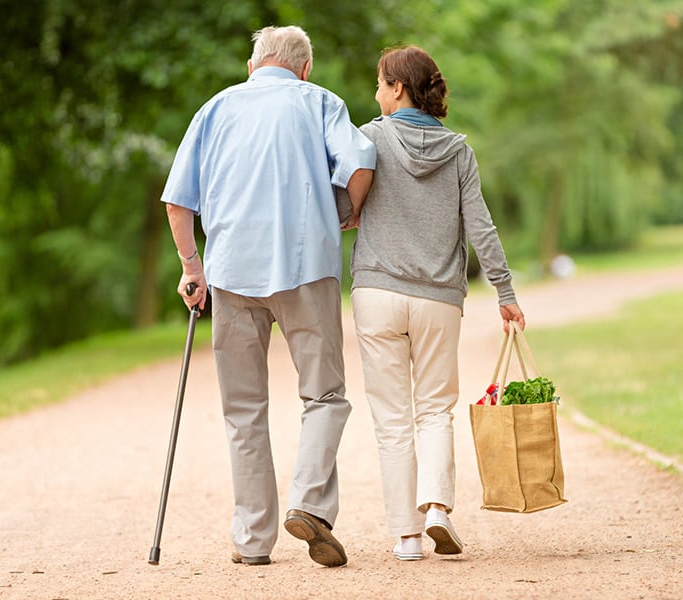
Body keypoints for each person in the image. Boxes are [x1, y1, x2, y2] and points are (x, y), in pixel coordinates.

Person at [161, 25, 375, 568]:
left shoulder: (215, 108)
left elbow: (178, 203)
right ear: (303, 68)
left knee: (243, 410)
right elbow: (361, 163)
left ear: (253, 64)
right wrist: (345, 213)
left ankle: (253, 542)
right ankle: (308, 503)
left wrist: (193, 266)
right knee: (325, 396)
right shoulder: (321, 102)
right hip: (306, 269)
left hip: (232, 274)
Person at [349, 45, 525, 561]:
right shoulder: (459, 152)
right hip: (438, 301)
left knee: (391, 418)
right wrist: (505, 293)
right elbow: (482, 229)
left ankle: (405, 536)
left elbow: (343, 204)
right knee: (433, 411)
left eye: (381, 84)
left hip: (378, 292)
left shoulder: (370, 138)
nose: (376, 93)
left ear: (398, 89)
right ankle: (438, 510)